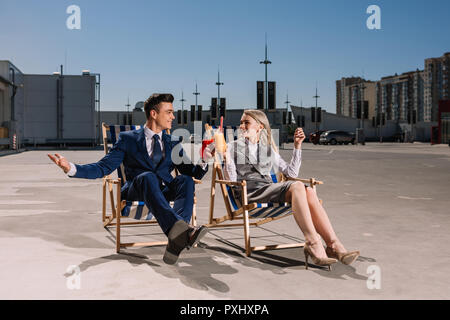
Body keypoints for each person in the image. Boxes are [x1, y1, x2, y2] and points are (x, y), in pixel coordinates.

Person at [48, 93, 209, 265]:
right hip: (137, 190)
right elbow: (103, 167)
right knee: (148, 177)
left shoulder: (173, 142)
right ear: (154, 114)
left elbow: (192, 173)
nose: (173, 116)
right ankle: (182, 231)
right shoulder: (128, 139)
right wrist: (72, 168)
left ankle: (177, 237)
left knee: (185, 180)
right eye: (169, 112)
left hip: (163, 192)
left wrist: (205, 159)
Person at [205, 110, 359, 270]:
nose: (241, 126)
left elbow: (291, 174)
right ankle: (313, 242)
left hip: (268, 190)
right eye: (241, 122)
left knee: (309, 191)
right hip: (248, 194)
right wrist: (226, 159)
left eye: (246, 123)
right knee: (298, 186)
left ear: (259, 127)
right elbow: (230, 182)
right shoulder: (231, 147)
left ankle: (333, 245)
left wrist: (297, 146)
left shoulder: (267, 150)